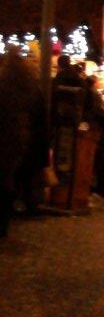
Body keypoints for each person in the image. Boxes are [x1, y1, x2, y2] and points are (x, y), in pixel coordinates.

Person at [0, 51, 47, 237]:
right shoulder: (31, 89)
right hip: (20, 141)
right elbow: (39, 117)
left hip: (6, 139)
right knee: (8, 180)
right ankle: (5, 220)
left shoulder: (4, 87)